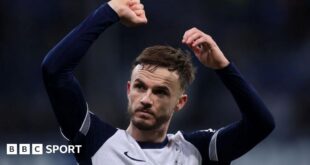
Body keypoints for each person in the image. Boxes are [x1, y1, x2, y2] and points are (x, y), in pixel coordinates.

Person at [41, 0, 275, 164]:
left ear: (180, 102)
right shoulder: (95, 140)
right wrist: (110, 11)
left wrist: (223, 67)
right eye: (140, 87)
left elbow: (261, 125)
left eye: (160, 92)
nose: (146, 99)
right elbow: (55, 71)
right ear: (128, 89)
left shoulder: (197, 151)